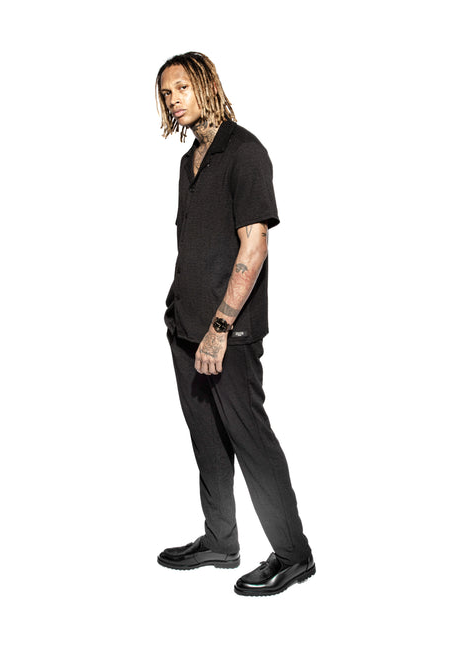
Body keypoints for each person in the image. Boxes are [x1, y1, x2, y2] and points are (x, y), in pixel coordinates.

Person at [155, 52, 315, 596]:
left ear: (206, 85)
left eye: (181, 87)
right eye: (165, 93)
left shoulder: (245, 152)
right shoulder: (189, 161)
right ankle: (221, 540)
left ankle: (293, 554)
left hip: (228, 333)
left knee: (251, 439)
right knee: (206, 437)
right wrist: (179, 310)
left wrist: (220, 328)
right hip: (185, 325)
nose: (172, 99)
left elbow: (254, 245)